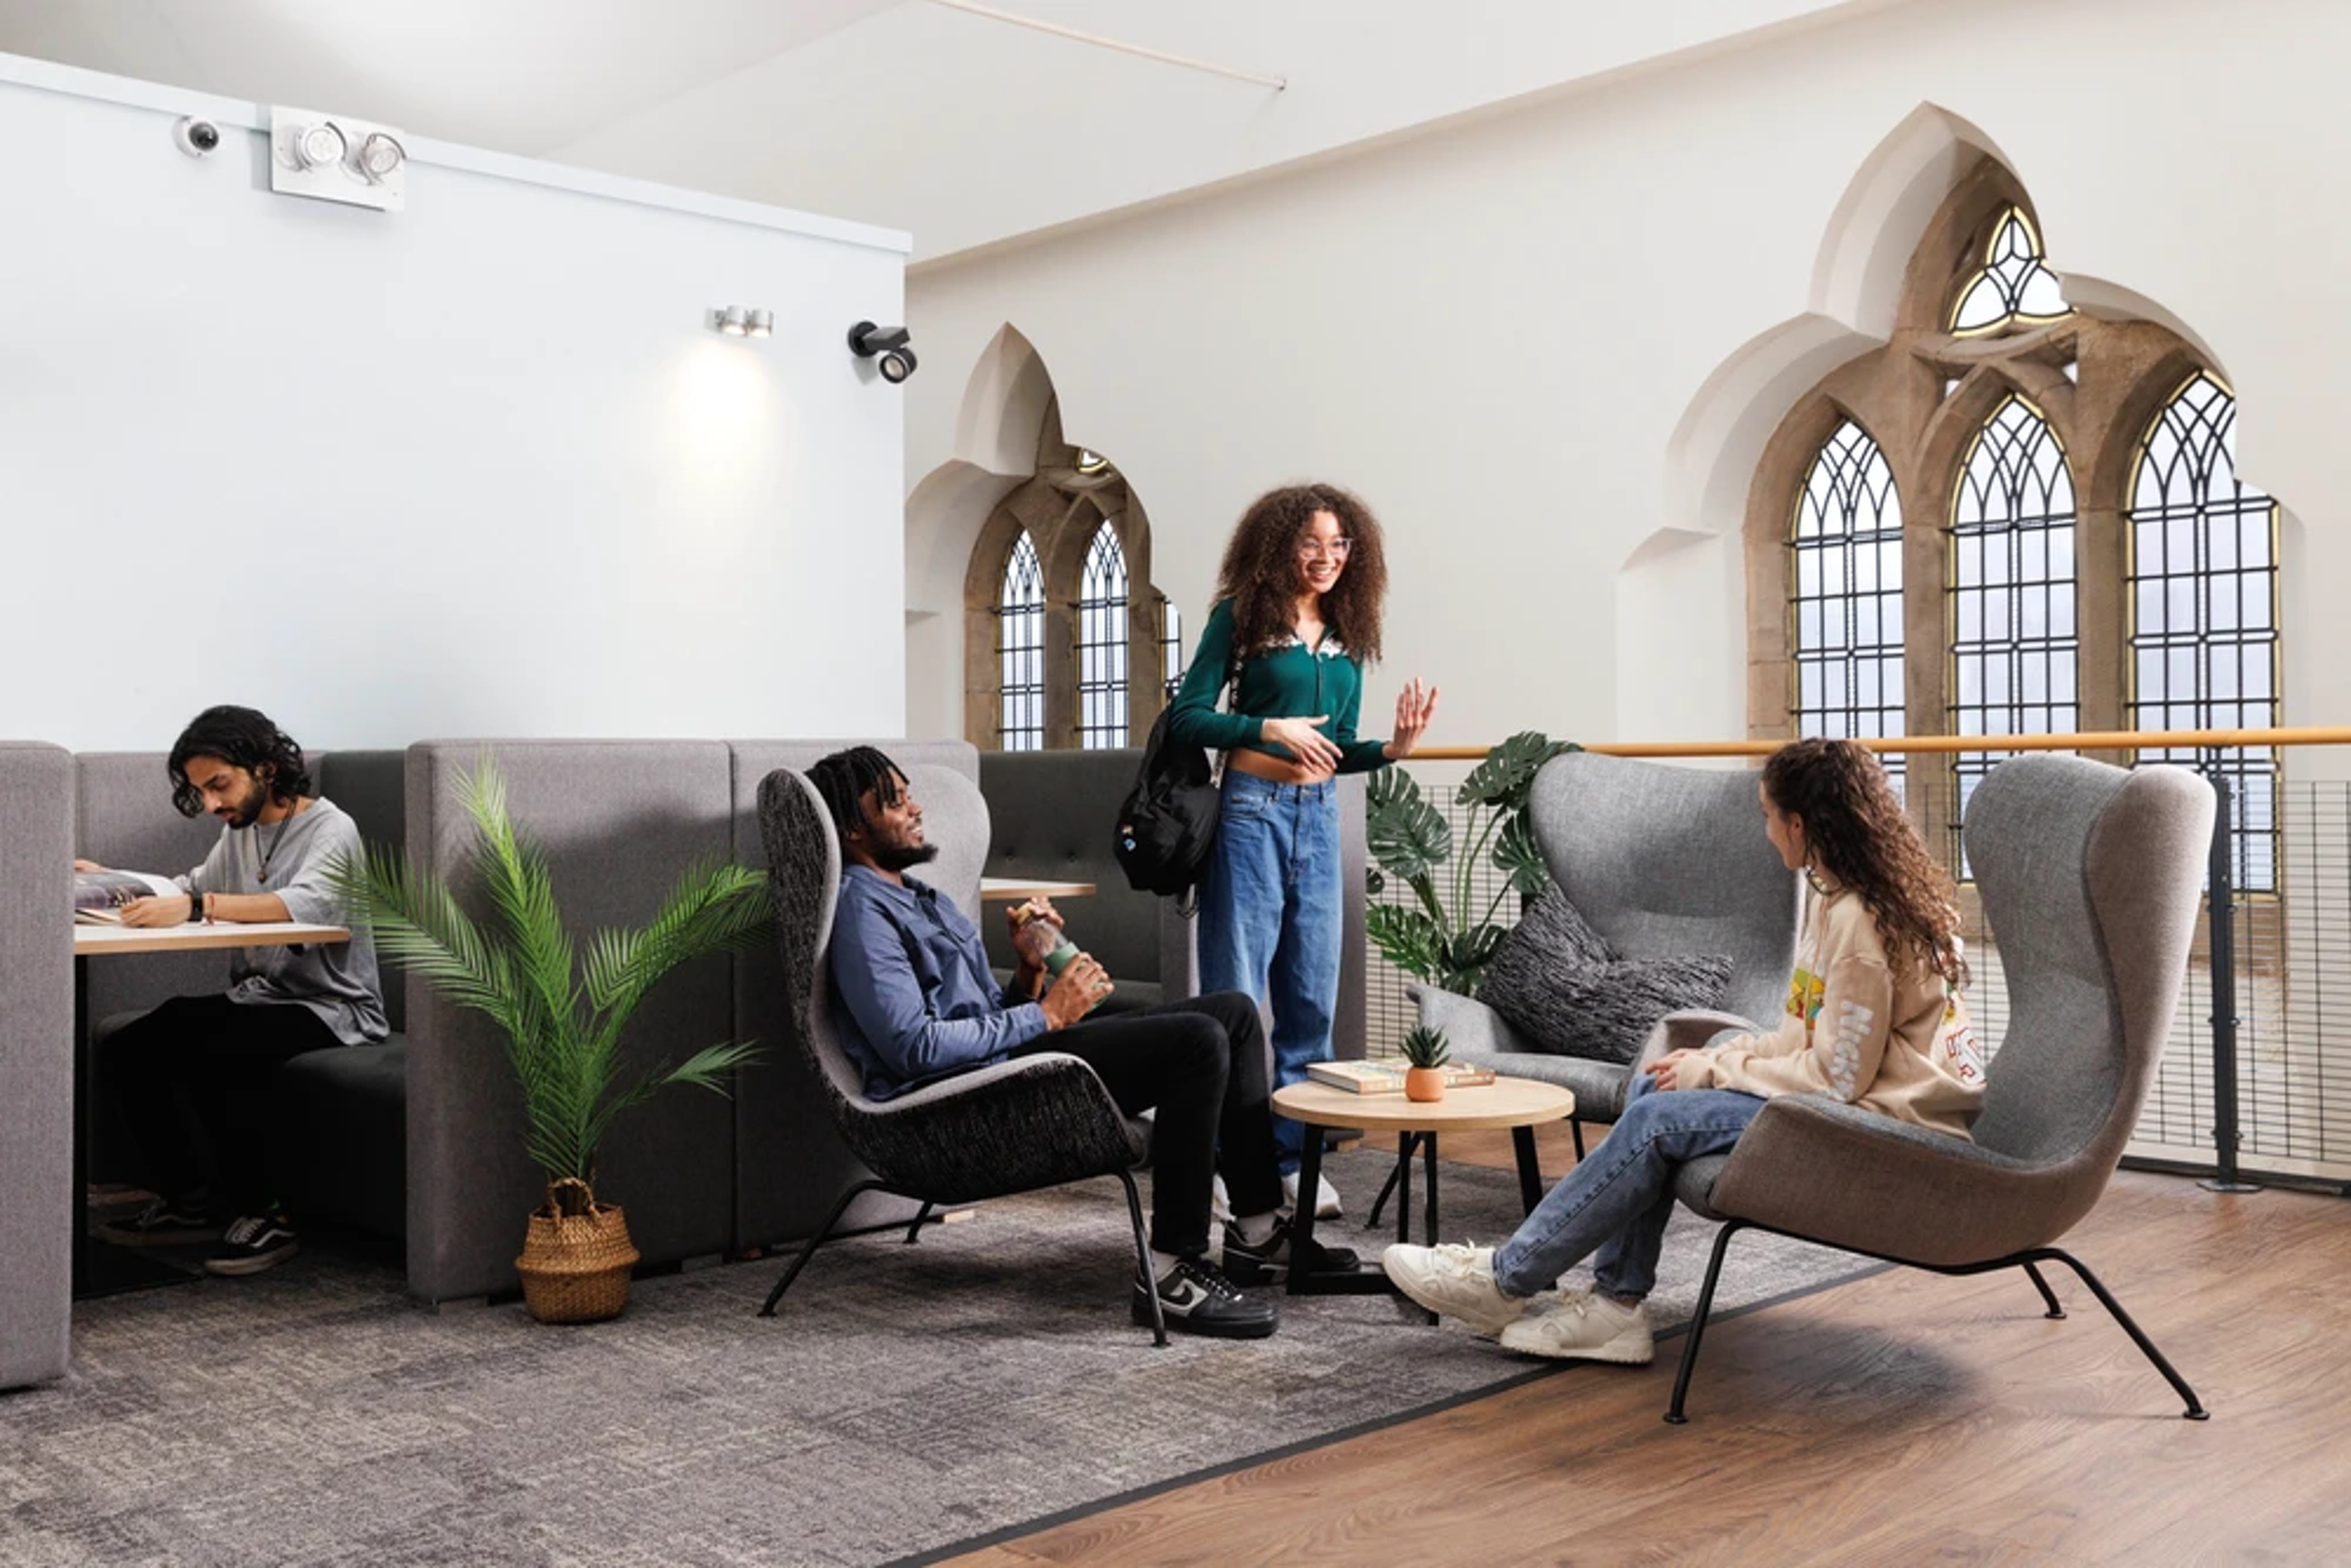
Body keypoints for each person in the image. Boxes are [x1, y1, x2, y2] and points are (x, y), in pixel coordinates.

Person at [1381, 737, 1986, 1363]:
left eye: (1767, 814)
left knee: (1654, 1120)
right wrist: (1713, 1062)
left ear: (1799, 824)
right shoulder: (1833, 900)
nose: (1766, 829)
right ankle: (1615, 1308)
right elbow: (1798, 1038)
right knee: (1658, 1089)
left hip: (1881, 1126)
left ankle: (1504, 1279)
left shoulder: (1861, 923)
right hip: (1850, 1101)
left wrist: (1719, 1066)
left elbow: (1838, 1082)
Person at [808, 746, 1359, 1340]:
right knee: (1197, 1041)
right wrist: (1046, 1016)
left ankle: (1255, 1230)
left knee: (1234, 1013)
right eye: (894, 802)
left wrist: (1028, 976)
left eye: (908, 792)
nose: (915, 808)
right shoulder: (864, 914)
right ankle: (1171, 1272)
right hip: (957, 1103)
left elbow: (981, 1016)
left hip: (1001, 1063)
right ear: (852, 827)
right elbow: (913, 1048)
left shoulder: (923, 897)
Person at [1167, 482, 1439, 1220]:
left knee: (1311, 999)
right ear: (1281, 543)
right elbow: (1188, 716)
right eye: (1312, 543)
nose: (1327, 558)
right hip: (1251, 814)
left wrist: (1391, 747)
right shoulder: (1242, 616)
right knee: (1236, 994)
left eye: (1340, 544)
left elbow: (1340, 747)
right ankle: (1230, 1162)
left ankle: (1293, 1159)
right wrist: (1265, 730)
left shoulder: (1350, 630)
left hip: (1320, 818)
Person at [91, 705, 388, 1275]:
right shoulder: (241, 833)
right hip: (263, 995)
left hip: (335, 1008)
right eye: (201, 791)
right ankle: (192, 1202)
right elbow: (191, 888)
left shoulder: (331, 827)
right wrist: (108, 883)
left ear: (267, 767)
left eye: (219, 785)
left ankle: (270, 1214)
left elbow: (310, 905)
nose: (210, 804)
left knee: (216, 1047)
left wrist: (201, 906)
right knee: (133, 1045)